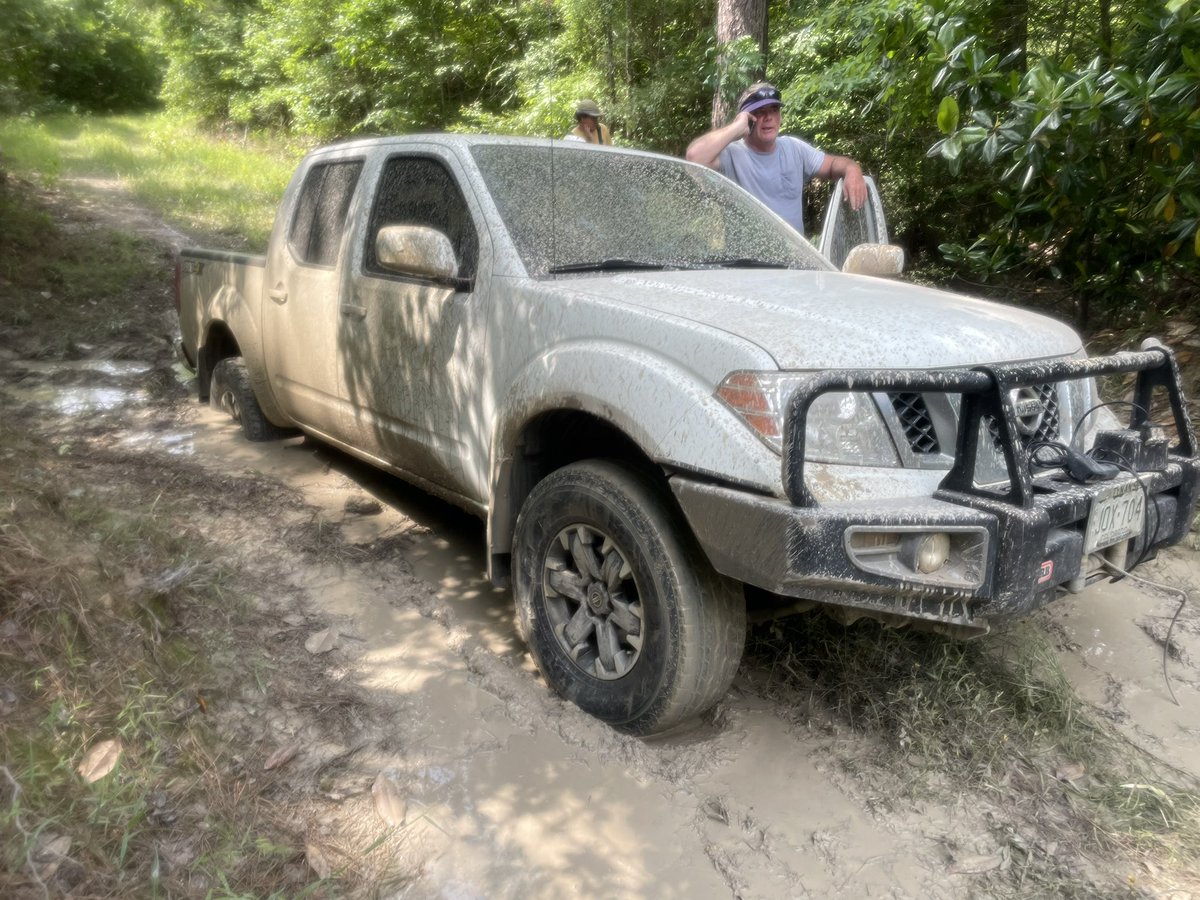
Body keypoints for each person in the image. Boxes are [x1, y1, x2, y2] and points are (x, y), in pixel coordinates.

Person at [685, 81, 867, 235]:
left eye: (774, 110)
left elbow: (834, 164)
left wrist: (853, 170)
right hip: (745, 267)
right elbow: (695, 157)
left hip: (793, 266)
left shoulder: (794, 148)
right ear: (747, 119)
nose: (768, 117)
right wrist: (736, 128)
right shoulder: (731, 154)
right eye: (759, 112)